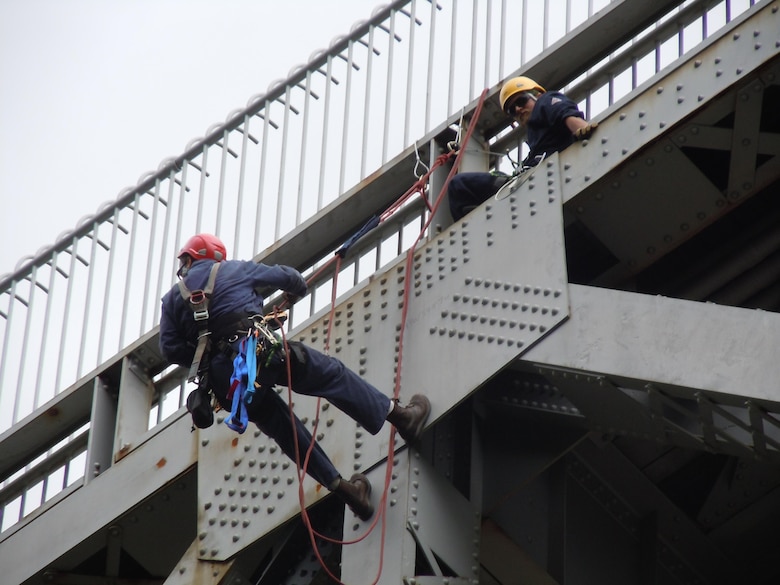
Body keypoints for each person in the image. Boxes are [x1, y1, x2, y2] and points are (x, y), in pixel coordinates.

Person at [159, 233, 431, 521]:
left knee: (284, 430)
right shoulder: (233, 269)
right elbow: (290, 279)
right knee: (331, 376)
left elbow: (171, 349)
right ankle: (401, 418)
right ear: (214, 257)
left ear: (189, 259)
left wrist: (209, 352)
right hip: (261, 351)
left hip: (230, 385)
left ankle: (349, 493)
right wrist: (285, 297)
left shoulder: (171, 301)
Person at [448, 76, 598, 220]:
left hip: (527, 182)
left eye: (521, 101)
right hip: (528, 180)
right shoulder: (538, 133)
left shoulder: (544, 101)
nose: (518, 109)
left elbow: (563, 112)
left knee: (459, 184)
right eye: (512, 110)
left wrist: (581, 129)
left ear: (537, 95)